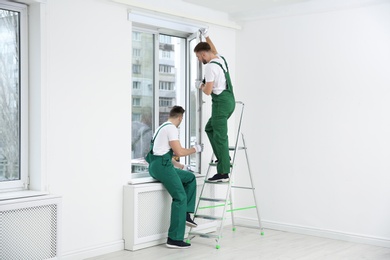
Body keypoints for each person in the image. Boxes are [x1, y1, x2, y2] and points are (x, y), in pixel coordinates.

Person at [146, 106, 203, 249]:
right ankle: (174, 239)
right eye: (182, 119)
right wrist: (196, 149)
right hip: (163, 167)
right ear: (180, 117)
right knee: (180, 197)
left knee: (190, 178)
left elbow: (162, 153)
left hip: (157, 166)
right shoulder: (171, 128)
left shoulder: (161, 127)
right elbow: (179, 151)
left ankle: (186, 214)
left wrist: (180, 166)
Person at [194, 28, 235, 183]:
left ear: (204, 55)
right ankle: (223, 157)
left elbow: (208, 91)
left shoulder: (210, 67)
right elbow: (213, 49)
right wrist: (207, 36)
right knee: (209, 128)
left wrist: (200, 85)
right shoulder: (220, 59)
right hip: (230, 101)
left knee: (220, 138)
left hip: (220, 104)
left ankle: (223, 173)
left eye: (199, 57)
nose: (199, 60)